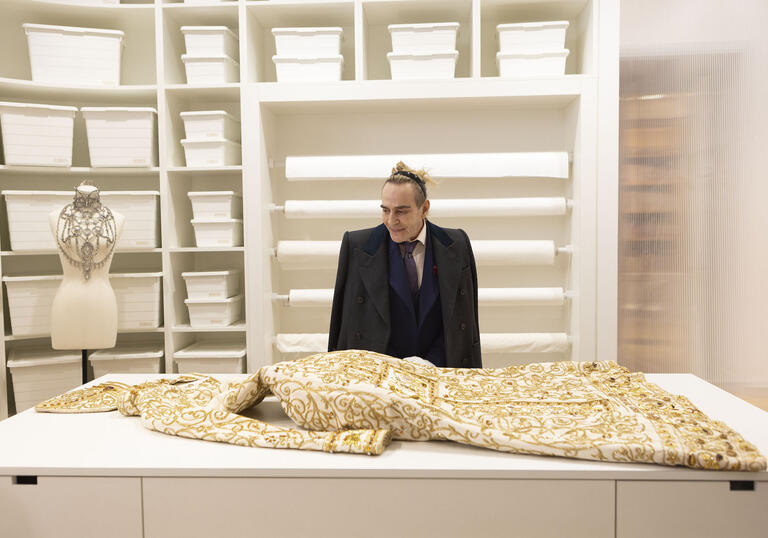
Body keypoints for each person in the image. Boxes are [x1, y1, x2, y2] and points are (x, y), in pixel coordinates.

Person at [328, 162, 481, 368]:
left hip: (441, 372)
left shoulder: (456, 244)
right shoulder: (356, 247)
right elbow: (344, 325)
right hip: (377, 378)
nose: (391, 221)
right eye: (385, 210)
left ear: (424, 208)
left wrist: (427, 364)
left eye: (401, 211)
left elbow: (465, 324)